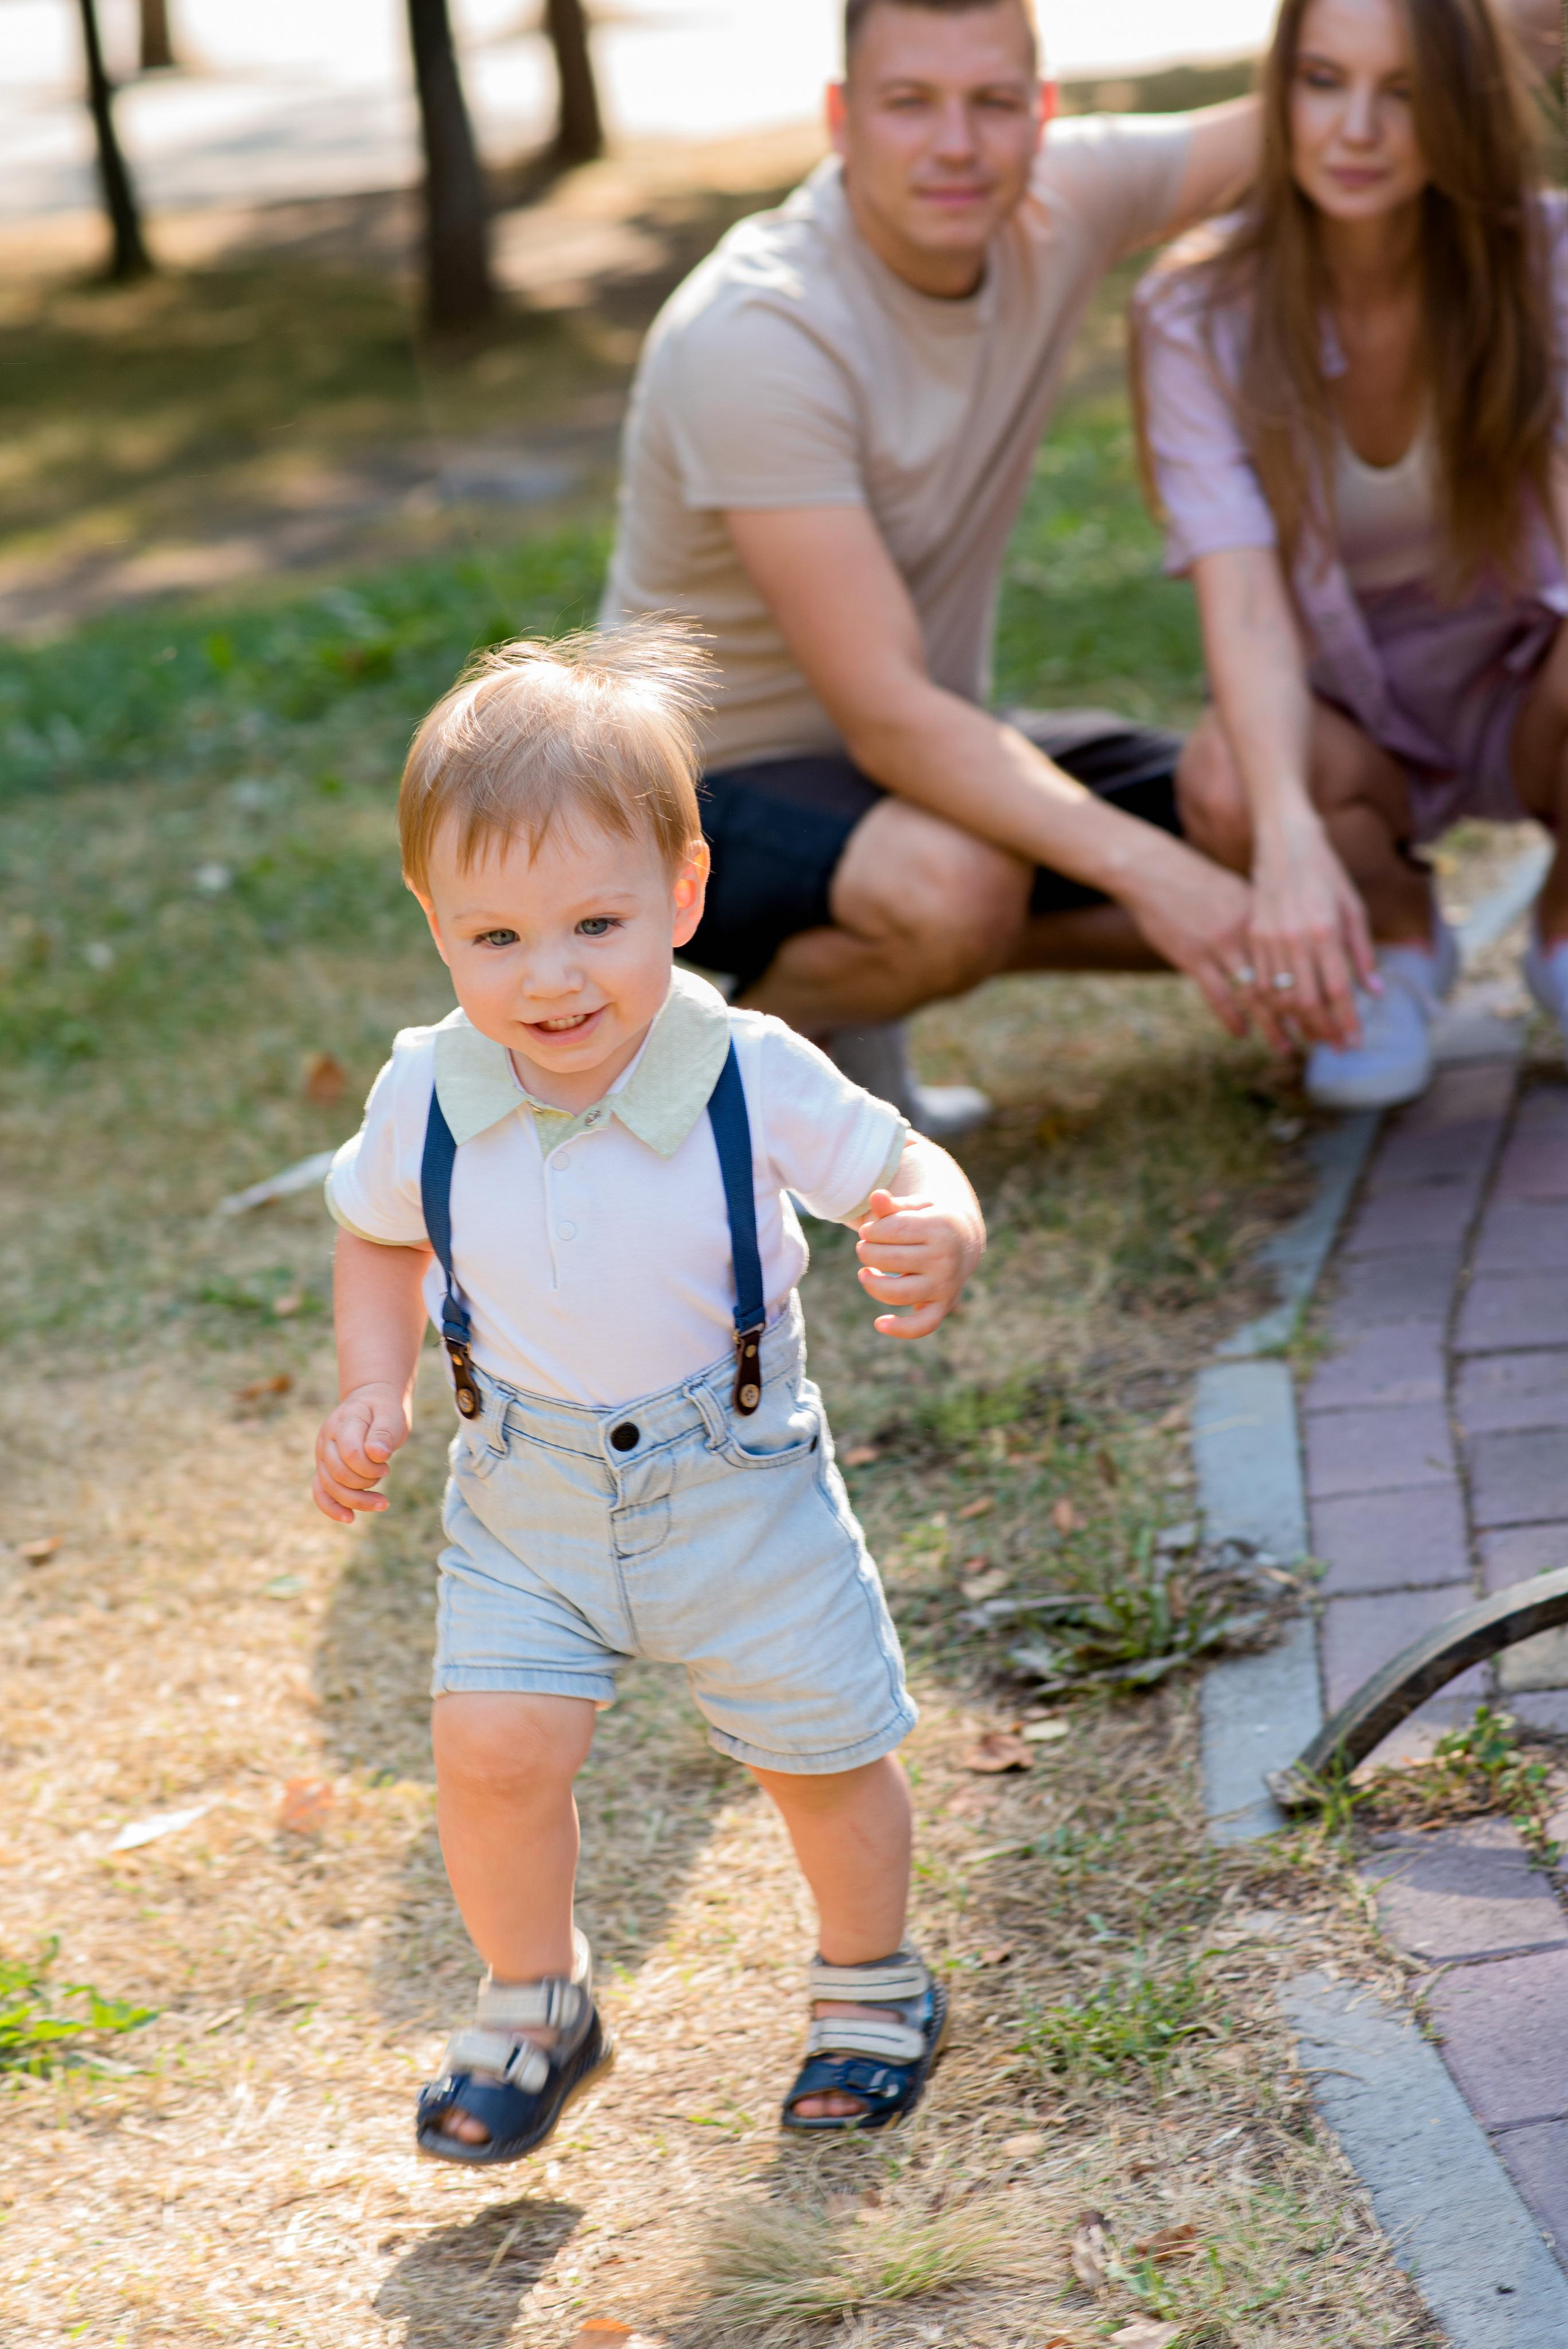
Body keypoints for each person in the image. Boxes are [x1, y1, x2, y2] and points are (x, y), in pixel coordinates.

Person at [309, 622, 986, 2153]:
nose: (548, 979)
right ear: (434, 926)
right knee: (489, 1753)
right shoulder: (430, 1087)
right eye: (494, 939)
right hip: (525, 1492)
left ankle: (871, 1983)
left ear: (683, 893)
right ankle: (533, 2000)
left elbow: (900, 1162)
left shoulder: (747, 1069)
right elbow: (371, 1233)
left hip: (733, 1480)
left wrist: (936, 1219)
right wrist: (374, 1384)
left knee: (819, 1751)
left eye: (594, 924)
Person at [601, 0, 1270, 1130]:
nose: (956, 143)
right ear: (842, 119)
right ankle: (703, 1093)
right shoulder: (758, 330)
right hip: (681, 794)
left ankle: (847, 1043)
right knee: (958, 886)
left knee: (1265, 806)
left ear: (1042, 115)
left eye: (993, 103)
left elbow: (1313, 107)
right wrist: (1165, 880)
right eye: (909, 103)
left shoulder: (1059, 202)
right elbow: (890, 719)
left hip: (902, 766)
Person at [1134, 0, 1568, 1108]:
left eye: (1406, 89)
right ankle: (1392, 930)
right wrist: (1284, 842)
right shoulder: (1197, 309)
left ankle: (1561, 926)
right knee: (1229, 780)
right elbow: (1239, 598)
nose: (1358, 128)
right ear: (1281, 93)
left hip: (1529, 680)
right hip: (1351, 718)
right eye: (1325, 80)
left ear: (1462, 103)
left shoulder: (1546, 260)